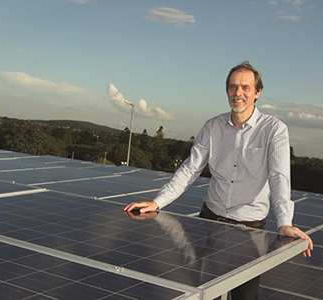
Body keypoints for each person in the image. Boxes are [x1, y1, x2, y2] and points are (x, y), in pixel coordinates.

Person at [124, 61, 313, 300]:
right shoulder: (213, 126)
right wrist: (158, 202)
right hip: (210, 222)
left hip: (249, 231)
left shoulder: (274, 130)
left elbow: (279, 178)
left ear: (257, 92)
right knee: (204, 292)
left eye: (245, 87)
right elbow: (189, 169)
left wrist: (284, 222)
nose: (238, 93)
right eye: (233, 87)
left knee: (244, 296)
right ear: (227, 92)